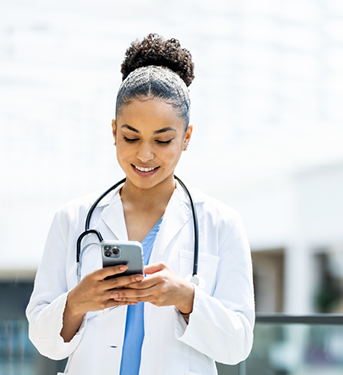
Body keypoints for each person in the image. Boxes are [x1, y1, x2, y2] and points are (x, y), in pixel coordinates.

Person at [26, 33, 255, 375]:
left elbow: (237, 346)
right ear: (114, 131)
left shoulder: (221, 223)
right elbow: (42, 339)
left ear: (186, 137)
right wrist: (77, 301)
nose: (145, 155)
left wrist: (187, 298)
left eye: (163, 140)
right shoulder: (71, 220)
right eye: (130, 137)